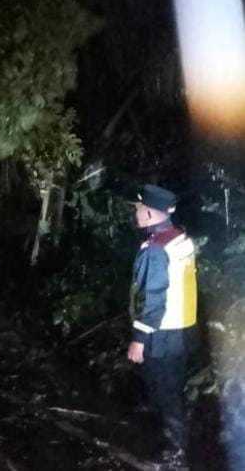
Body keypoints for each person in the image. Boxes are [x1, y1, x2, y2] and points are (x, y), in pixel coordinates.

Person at [127, 184, 197, 468]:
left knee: (165, 391)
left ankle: (176, 453)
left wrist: (138, 339)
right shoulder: (179, 237)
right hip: (183, 330)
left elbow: (153, 299)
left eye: (137, 208)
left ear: (148, 212)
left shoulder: (156, 249)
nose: (135, 212)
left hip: (162, 334)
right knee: (171, 387)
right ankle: (173, 434)